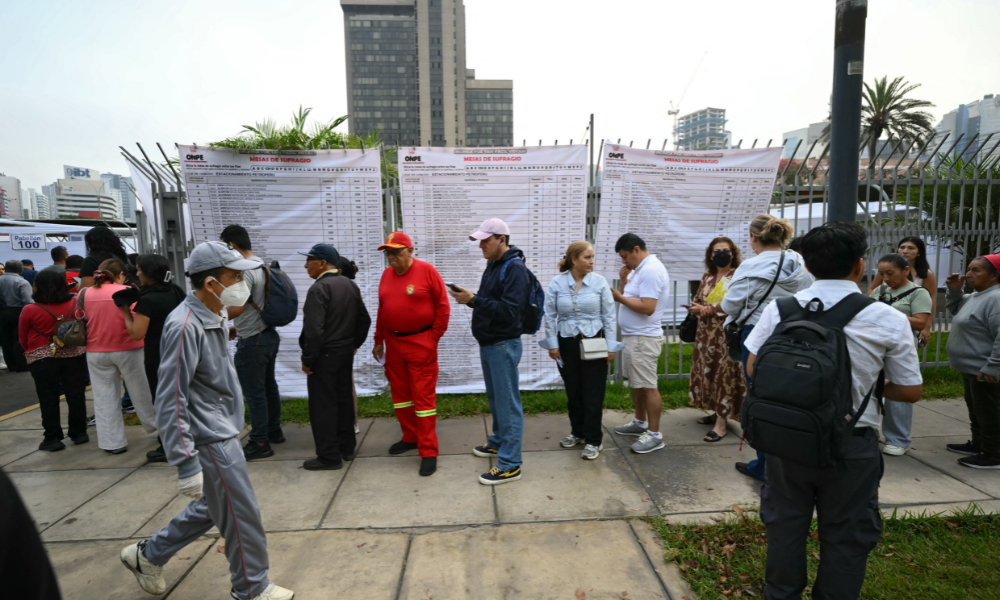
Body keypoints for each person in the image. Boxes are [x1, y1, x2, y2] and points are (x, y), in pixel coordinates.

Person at [745, 222, 923, 600]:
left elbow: (752, 368)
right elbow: (909, 391)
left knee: (784, 526)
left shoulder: (781, 310)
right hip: (851, 446)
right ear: (860, 266)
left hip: (787, 441)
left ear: (808, 266)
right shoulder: (887, 318)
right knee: (846, 535)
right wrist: (870, 387)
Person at [120, 241, 293, 600]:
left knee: (215, 507)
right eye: (235, 275)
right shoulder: (185, 326)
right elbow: (170, 398)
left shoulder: (212, 316)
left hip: (221, 429)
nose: (242, 281)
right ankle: (251, 588)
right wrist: (185, 463)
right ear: (212, 283)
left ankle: (147, 555)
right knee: (242, 515)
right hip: (209, 437)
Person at [722, 214, 811, 483]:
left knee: (760, 398)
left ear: (753, 238)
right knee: (788, 398)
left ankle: (764, 466)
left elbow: (729, 306)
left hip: (758, 336)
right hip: (793, 334)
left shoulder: (750, 267)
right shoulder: (798, 262)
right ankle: (790, 461)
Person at [448, 218, 530, 485]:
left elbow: (509, 311)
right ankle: (498, 443)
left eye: (486, 240)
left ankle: (510, 464)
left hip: (502, 344)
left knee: (507, 404)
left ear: (502, 240)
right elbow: (491, 304)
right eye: (479, 240)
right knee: (497, 400)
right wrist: (471, 300)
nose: (481, 245)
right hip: (491, 343)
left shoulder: (514, 268)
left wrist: (474, 299)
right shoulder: (494, 265)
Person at [373, 232, 450, 476]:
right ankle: (410, 436)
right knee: (401, 395)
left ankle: (428, 451)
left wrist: (432, 338)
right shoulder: (386, 275)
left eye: (396, 251)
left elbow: (443, 307)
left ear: (410, 250)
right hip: (393, 344)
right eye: (388, 252)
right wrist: (379, 341)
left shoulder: (427, 271)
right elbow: (382, 309)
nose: (391, 257)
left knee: (423, 399)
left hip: (421, 343)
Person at [541, 241, 622, 460]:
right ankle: (578, 432)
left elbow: (609, 316)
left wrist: (611, 347)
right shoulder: (557, 284)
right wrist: (553, 344)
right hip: (566, 343)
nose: (592, 261)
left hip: (595, 341)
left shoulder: (599, 282)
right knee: (573, 391)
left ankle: (594, 440)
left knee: (593, 392)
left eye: (592, 257)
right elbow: (549, 315)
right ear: (574, 259)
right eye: (587, 257)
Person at [299, 244, 371, 471]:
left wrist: (308, 360)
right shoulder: (350, 285)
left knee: (323, 407)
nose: (305, 265)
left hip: (324, 356)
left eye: (309, 260)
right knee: (343, 401)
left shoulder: (318, 289)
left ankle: (329, 457)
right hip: (343, 353)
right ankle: (347, 448)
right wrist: (352, 345)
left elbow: (313, 331)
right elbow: (364, 321)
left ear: (322, 263)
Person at [220, 225, 285, 461]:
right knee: (268, 387)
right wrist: (238, 327)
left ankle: (259, 441)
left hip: (254, 343)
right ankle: (273, 430)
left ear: (232, 246)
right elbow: (255, 303)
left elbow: (237, 306)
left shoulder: (245, 271)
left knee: (255, 392)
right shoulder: (262, 265)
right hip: (267, 335)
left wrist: (213, 316)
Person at [82, 258, 157, 453]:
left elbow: (79, 316)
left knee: (104, 397)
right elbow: (138, 317)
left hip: (96, 351)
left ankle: (112, 443)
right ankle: (158, 428)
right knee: (142, 392)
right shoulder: (125, 293)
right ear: (120, 275)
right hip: (129, 348)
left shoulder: (84, 293)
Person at [118, 254, 186, 462]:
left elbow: (137, 333)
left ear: (149, 274)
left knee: (162, 399)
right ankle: (183, 438)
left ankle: (169, 446)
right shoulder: (175, 290)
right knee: (179, 398)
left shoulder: (147, 302)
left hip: (157, 355)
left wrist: (125, 310)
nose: (136, 274)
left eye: (139, 271)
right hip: (179, 351)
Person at [609, 233, 671, 454]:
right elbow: (634, 297)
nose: (624, 261)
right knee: (637, 383)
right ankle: (639, 422)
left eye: (625, 257)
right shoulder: (639, 270)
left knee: (648, 385)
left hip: (644, 338)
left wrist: (619, 296)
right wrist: (624, 281)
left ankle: (655, 435)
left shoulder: (652, 270)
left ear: (636, 249)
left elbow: (647, 308)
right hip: (634, 336)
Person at [17, 269, 89, 451]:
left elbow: (22, 338)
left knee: (48, 398)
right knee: (76, 395)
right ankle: (79, 433)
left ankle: (52, 438)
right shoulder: (75, 304)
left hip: (42, 359)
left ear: (37, 287)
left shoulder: (30, 309)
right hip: (74, 355)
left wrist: (33, 351)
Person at [870, 253, 932, 456]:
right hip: (875, 347)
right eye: (881, 273)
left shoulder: (918, 292)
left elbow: (920, 321)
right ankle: (869, 433)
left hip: (900, 350)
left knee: (900, 392)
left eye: (890, 273)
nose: (886, 278)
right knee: (870, 388)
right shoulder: (879, 290)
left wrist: (889, 315)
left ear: (906, 271)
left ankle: (898, 439)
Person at [944, 255, 1000, 469]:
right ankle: (979, 444)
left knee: (989, 411)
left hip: (985, 369)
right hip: (971, 368)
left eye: (976, 270)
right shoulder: (976, 296)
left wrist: (994, 366)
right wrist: (955, 289)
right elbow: (956, 308)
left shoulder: (996, 298)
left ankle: (994, 454)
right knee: (977, 409)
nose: (969, 274)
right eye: (969, 269)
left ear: (994, 275)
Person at [688, 237, 747, 442]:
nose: (721, 254)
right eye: (716, 251)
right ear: (710, 255)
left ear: (733, 253)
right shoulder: (708, 275)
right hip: (705, 334)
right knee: (709, 372)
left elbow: (734, 306)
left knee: (724, 375)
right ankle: (715, 411)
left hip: (724, 334)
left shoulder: (738, 276)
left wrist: (705, 310)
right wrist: (695, 307)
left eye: (726, 250)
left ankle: (721, 424)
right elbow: (699, 299)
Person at [867, 236, 938, 346]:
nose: (905, 251)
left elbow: (931, 299)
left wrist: (926, 327)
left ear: (919, 253)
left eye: (911, 248)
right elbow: (872, 288)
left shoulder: (925, 275)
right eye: (902, 247)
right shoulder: (885, 271)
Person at [339, 256, 362, 434]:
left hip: (340, 345)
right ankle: (352, 422)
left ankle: (351, 422)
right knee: (348, 383)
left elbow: (361, 319)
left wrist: (354, 343)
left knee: (345, 384)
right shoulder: (350, 288)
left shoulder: (342, 289)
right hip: (346, 344)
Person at [0, 260, 33, 373]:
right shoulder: (22, 282)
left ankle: (11, 365)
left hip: (2, 312)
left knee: (5, 339)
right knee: (19, 338)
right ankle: (21, 365)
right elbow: (28, 301)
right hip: (18, 312)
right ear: (21, 270)